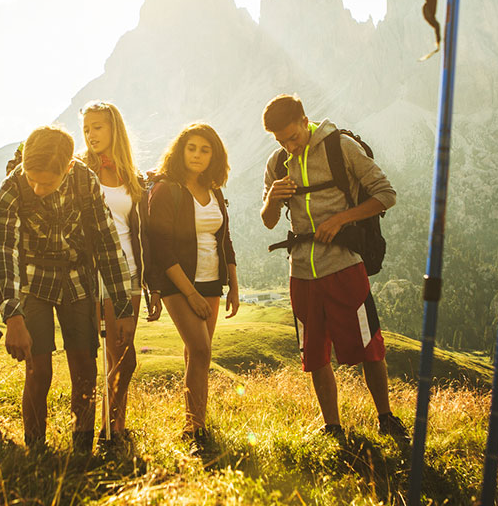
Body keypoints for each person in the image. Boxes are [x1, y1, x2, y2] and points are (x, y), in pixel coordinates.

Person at [258, 94, 409, 444]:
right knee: (313, 353)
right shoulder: (278, 162)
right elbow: (267, 222)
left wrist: (341, 219)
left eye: (292, 137)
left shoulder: (341, 147)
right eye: (280, 141)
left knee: (368, 344)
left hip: (344, 266)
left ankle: (385, 418)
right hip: (301, 273)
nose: (289, 146)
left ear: (304, 119)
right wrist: (272, 198)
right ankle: (332, 427)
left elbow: (386, 195)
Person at [0, 124, 133, 454]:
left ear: (67, 168)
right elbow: (1, 248)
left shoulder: (85, 180)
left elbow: (108, 242)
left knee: (84, 368)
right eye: (32, 179)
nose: (37, 188)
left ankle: (81, 451)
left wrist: (122, 307)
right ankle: (36, 452)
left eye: (47, 182)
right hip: (34, 283)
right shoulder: (13, 186)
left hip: (79, 279)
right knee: (38, 370)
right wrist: (12, 316)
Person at [146, 122, 239, 450]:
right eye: (192, 148)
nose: (198, 155)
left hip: (212, 282)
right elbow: (161, 247)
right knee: (201, 350)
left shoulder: (214, 190)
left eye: (205, 149)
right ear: (180, 150)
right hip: (178, 282)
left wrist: (234, 286)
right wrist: (190, 293)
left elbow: (224, 238)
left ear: (214, 155)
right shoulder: (166, 189)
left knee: (195, 354)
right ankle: (193, 430)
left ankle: (195, 420)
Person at [78, 100, 162, 448]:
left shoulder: (132, 177)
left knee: (121, 358)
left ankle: (116, 427)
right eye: (86, 128)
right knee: (111, 358)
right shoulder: (78, 172)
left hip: (129, 276)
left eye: (97, 126)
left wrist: (152, 286)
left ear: (115, 129)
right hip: (95, 276)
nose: (91, 134)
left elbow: (143, 235)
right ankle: (103, 432)